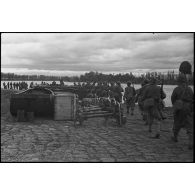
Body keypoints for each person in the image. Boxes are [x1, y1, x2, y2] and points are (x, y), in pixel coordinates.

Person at [171, 74, 194, 150]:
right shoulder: (190, 89)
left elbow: (173, 99)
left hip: (180, 108)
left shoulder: (176, 89)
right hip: (188, 108)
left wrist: (176, 105)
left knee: (177, 122)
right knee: (189, 125)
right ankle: (190, 142)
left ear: (179, 81)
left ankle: (175, 137)